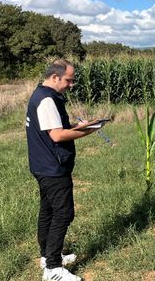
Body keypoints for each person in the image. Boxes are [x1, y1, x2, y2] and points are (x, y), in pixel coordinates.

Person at [26, 59, 102, 281]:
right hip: (52, 167)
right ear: (55, 77)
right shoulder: (47, 100)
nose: (71, 84)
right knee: (63, 213)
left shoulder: (39, 95)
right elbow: (57, 136)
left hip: (42, 164)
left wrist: (81, 126)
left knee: (48, 211)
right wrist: (88, 131)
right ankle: (53, 269)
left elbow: (55, 128)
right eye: (69, 80)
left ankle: (47, 255)